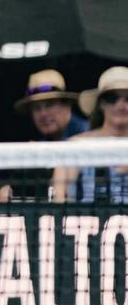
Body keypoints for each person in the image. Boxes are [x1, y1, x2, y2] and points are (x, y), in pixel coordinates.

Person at [0, 69, 88, 202]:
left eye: (49, 105)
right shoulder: (40, 143)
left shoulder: (87, 134)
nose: (43, 114)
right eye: (37, 108)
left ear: (67, 105)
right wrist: (10, 189)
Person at [52, 66, 128, 203]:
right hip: (87, 222)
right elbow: (59, 197)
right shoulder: (76, 146)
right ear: (101, 104)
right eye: (112, 98)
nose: (121, 105)